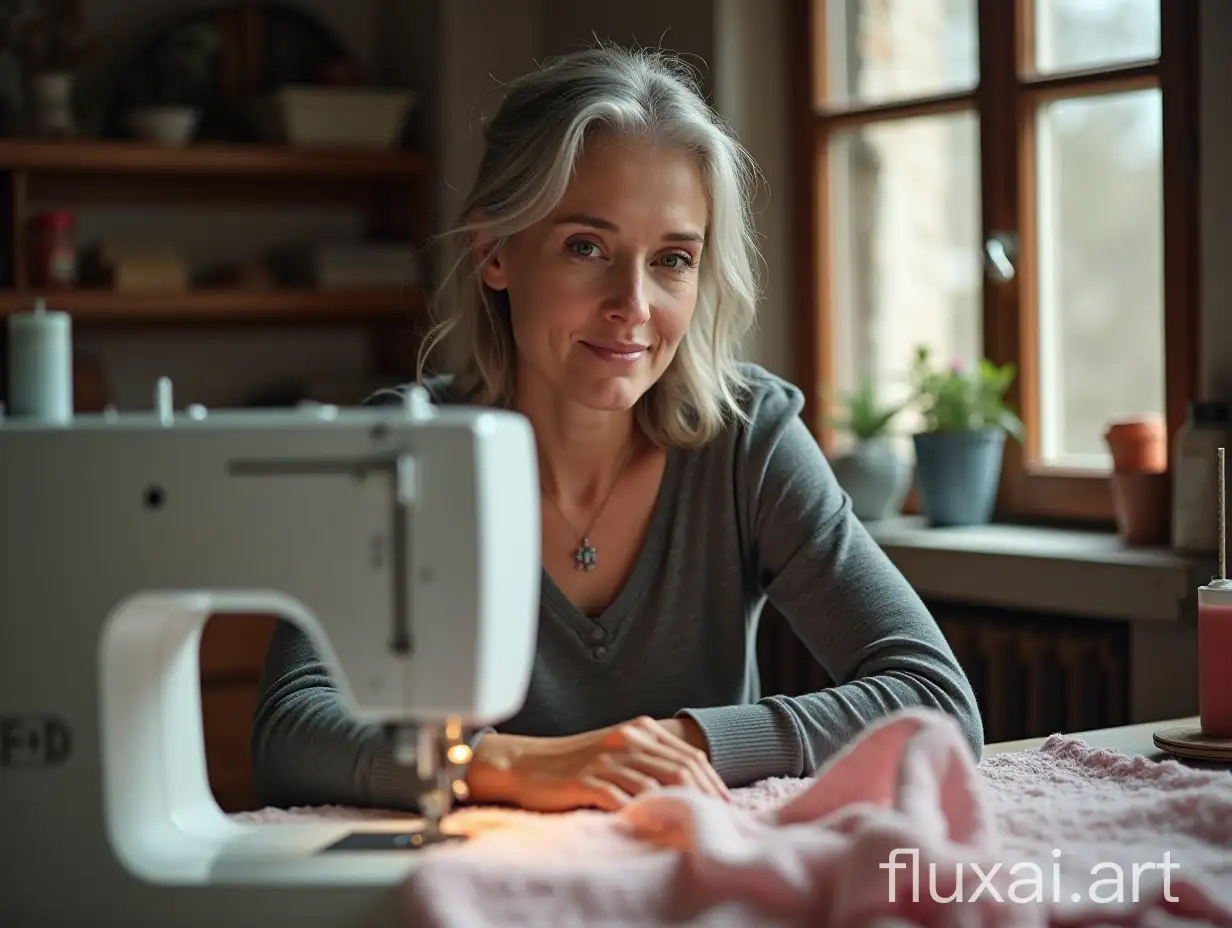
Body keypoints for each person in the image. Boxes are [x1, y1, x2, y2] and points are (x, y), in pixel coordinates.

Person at [251, 43, 983, 815]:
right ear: (494, 251)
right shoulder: (401, 444)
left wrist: (681, 748)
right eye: (587, 247)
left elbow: (936, 702)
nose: (632, 302)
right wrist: (512, 764)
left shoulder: (750, 440)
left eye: (672, 258)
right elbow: (290, 732)